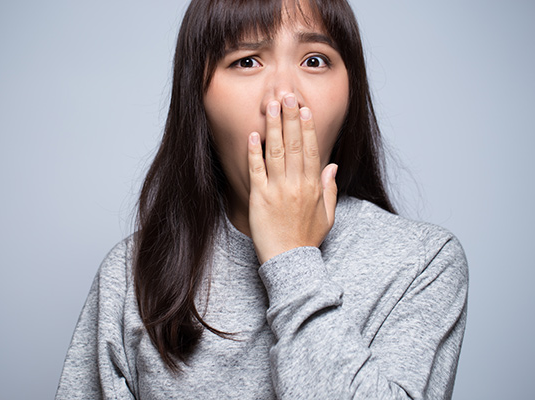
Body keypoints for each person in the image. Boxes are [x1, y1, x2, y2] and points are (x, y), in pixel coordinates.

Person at [56, 0, 468, 398]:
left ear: (351, 93)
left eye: (315, 60)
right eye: (246, 61)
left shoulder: (422, 263)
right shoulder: (131, 277)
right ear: (197, 98)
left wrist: (291, 257)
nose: (284, 98)